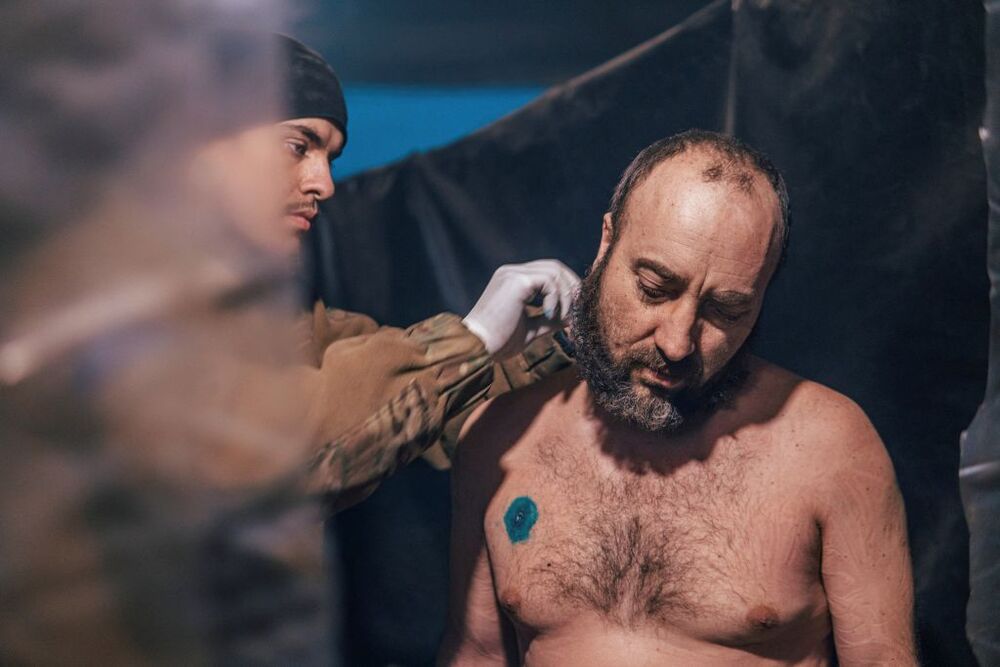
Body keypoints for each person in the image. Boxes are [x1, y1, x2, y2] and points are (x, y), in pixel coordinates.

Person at [440, 130, 917, 665]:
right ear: (606, 244)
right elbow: (476, 655)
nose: (677, 340)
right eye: (654, 288)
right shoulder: (503, 435)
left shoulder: (832, 446)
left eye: (726, 311)